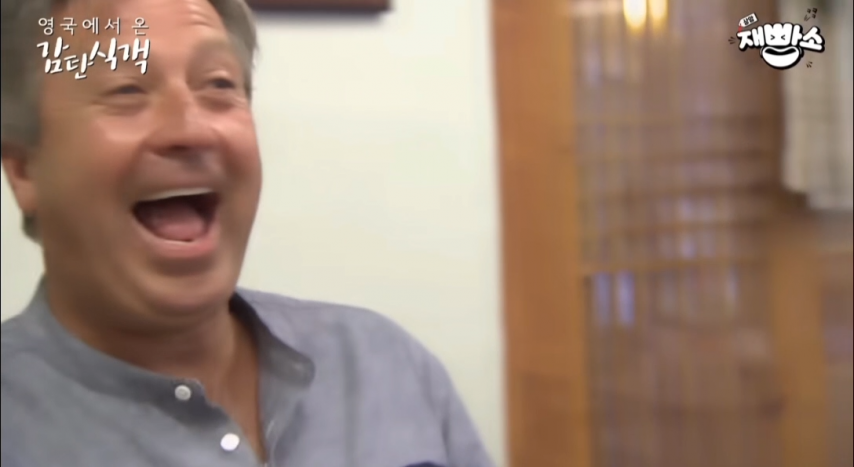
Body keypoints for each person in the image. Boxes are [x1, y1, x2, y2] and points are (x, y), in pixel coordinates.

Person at [0, 0, 494, 465]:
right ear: (23, 169)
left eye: (218, 84)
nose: (192, 129)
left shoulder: (382, 364)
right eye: (126, 90)